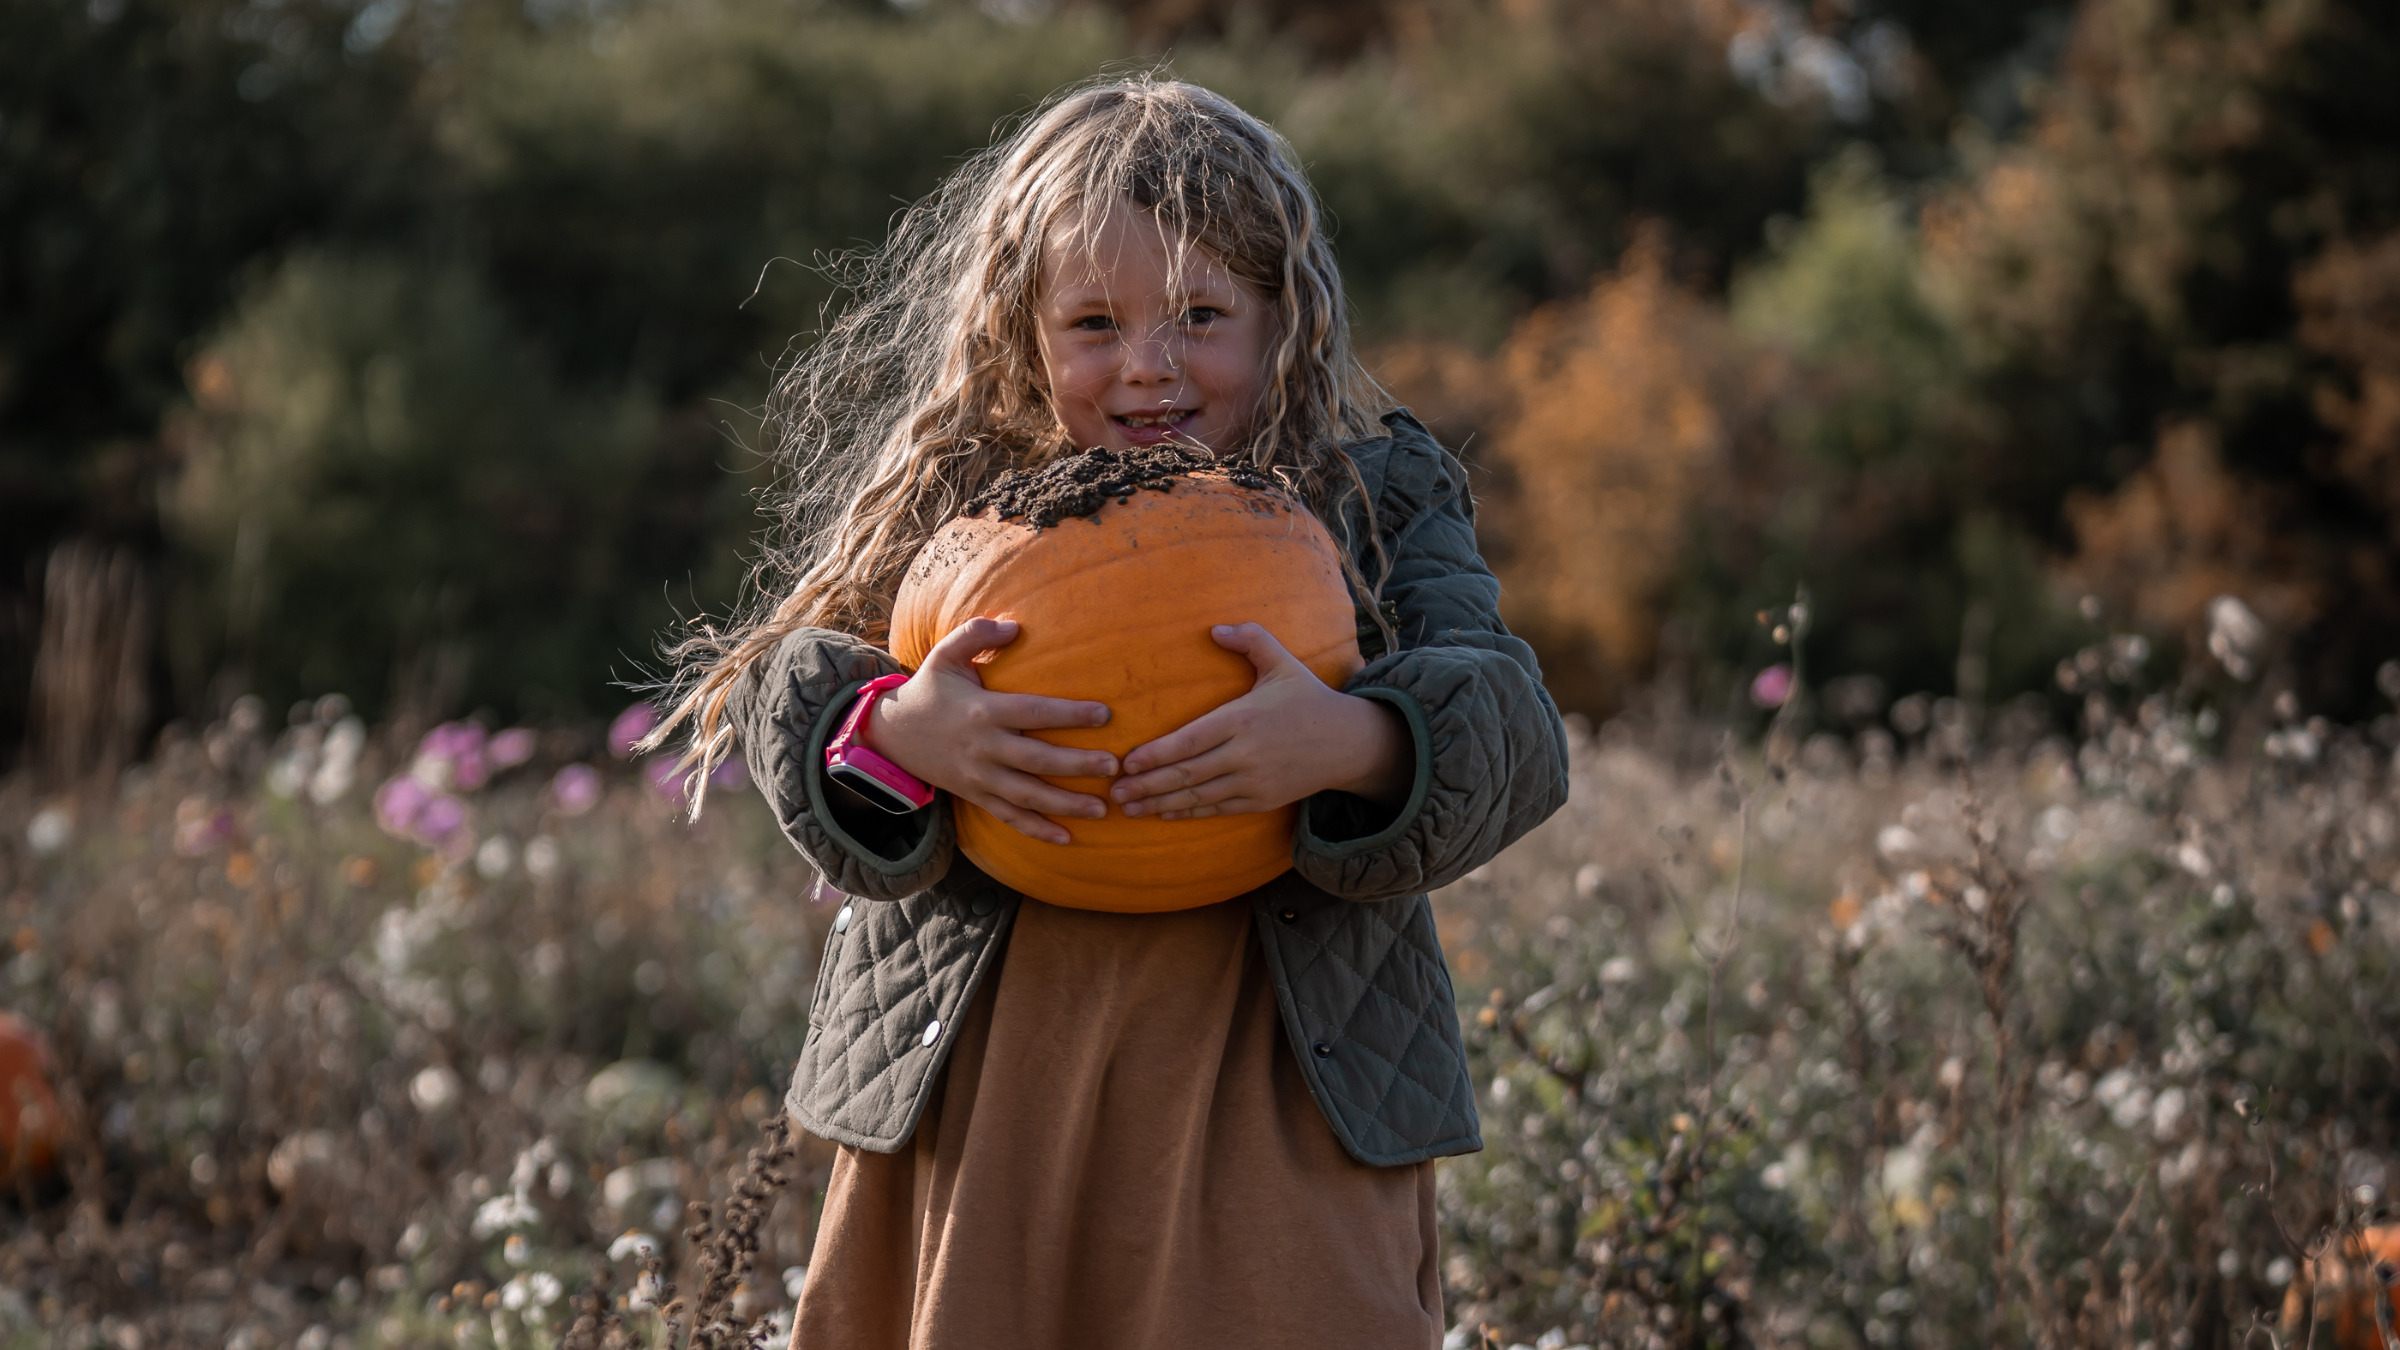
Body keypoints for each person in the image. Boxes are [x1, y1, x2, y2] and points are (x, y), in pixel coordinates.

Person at [650, 75, 1569, 1350]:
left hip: (1277, 1065)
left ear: (1283, 317)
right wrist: (898, 735)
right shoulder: (968, 502)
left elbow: (1517, 732)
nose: (1148, 365)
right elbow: (785, 686)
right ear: (1021, 331)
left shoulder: (1376, 499)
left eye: (1201, 314)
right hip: (995, 1062)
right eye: (1093, 322)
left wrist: (1357, 740)